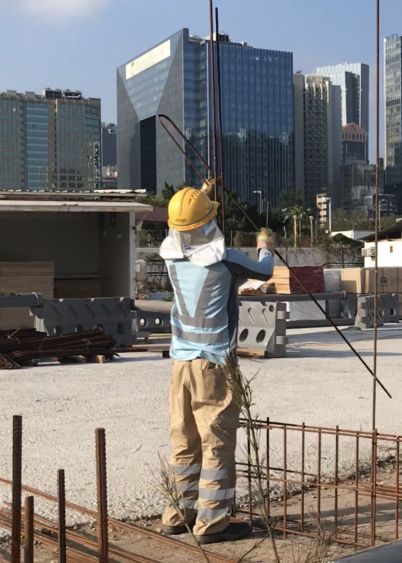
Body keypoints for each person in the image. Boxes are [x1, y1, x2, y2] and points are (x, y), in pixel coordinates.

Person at [158, 179, 274, 544]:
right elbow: (265, 270)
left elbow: (188, 224)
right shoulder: (224, 259)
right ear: (209, 223)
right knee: (217, 442)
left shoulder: (170, 255)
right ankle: (213, 522)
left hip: (181, 364)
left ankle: (179, 513)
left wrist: (204, 193)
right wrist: (265, 243)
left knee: (184, 440)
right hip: (213, 365)